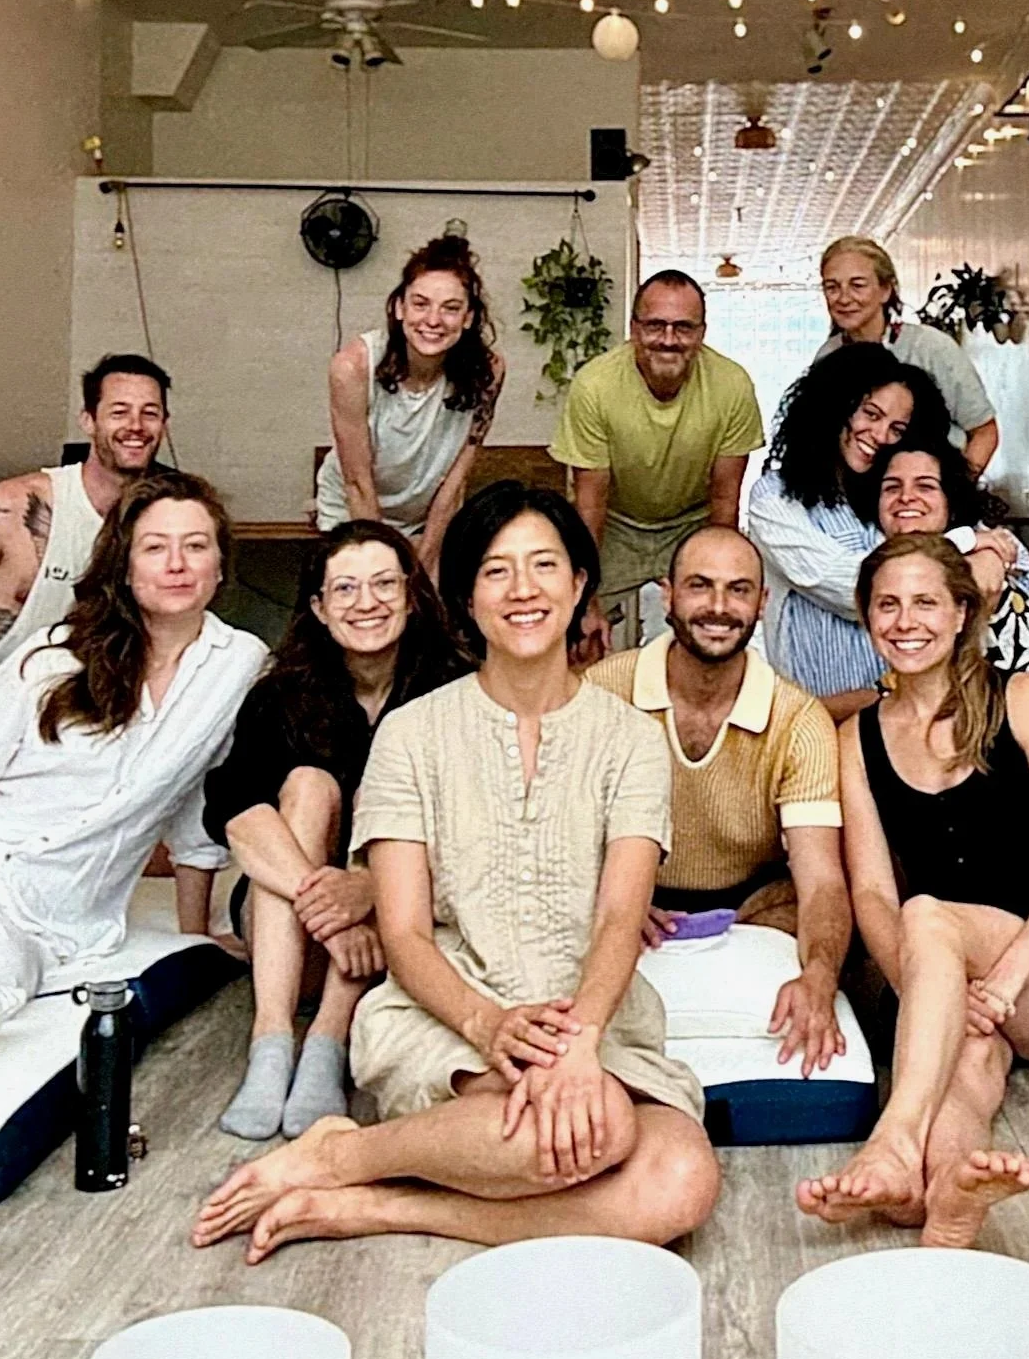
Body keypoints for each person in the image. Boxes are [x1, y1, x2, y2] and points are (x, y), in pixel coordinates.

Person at [192, 481, 719, 1263]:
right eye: (496, 571)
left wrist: (575, 1045)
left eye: (544, 565)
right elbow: (401, 929)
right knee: (594, 1129)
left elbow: (619, 918)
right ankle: (353, 1154)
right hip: (446, 1014)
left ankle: (370, 1195)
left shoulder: (630, 740)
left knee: (680, 1181)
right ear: (466, 598)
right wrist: (486, 1024)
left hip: (595, 1019)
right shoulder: (412, 736)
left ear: (579, 586)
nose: (523, 589)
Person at [798, 534, 1029, 1247]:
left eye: (924, 602)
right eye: (886, 604)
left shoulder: (1022, 697)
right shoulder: (856, 739)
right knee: (964, 1063)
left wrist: (1001, 987)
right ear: (865, 617)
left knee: (930, 917)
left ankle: (891, 1138)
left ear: (958, 614)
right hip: (951, 973)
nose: (904, 620)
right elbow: (872, 895)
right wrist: (932, 996)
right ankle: (942, 1191)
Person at [0, 471, 267, 1056]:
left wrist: (195, 939)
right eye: (155, 547)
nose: (177, 564)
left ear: (219, 563)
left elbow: (195, 805)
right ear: (124, 565)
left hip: (49, 921)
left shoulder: (239, 662)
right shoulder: (51, 660)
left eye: (196, 545)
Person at [203, 520, 470, 1141]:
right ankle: (270, 1040)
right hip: (294, 938)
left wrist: (371, 893)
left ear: (411, 593)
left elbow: (471, 828)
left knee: (396, 832)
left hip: (403, 927)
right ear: (320, 608)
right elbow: (232, 807)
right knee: (308, 787)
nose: (367, 602)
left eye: (383, 584)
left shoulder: (455, 687)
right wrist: (331, 905)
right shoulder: (281, 693)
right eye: (345, 589)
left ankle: (327, 1039)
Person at [586, 524, 852, 1078]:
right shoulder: (601, 693)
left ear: (762, 602)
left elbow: (823, 880)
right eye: (700, 586)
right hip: (624, 896)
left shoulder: (798, 720)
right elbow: (555, 836)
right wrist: (605, 901)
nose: (718, 607)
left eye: (738, 590)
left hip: (754, 908)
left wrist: (820, 978)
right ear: (668, 595)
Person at [869, 438, 1029, 847]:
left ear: (951, 503)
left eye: (925, 486)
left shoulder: (969, 576)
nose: (906, 497)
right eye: (891, 486)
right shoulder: (929, 574)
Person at [549, 269, 763, 656]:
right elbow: (590, 503)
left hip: (691, 522)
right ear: (634, 328)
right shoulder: (595, 385)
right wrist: (585, 599)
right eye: (655, 326)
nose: (668, 339)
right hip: (613, 523)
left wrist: (716, 582)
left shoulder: (732, 385)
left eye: (683, 327)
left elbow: (725, 502)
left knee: (708, 631)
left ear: (701, 332)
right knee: (572, 629)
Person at [749, 343, 960, 701]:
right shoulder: (775, 496)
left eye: (897, 429)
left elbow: (1014, 557)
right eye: (871, 414)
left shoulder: (898, 493)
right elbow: (846, 586)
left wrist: (986, 554)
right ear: (833, 406)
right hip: (817, 712)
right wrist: (961, 564)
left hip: (908, 710)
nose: (880, 436)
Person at [0, 353, 171, 694]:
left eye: (150, 413)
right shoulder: (13, 506)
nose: (136, 426)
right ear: (88, 421)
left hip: (82, 709)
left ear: (164, 425)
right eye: (119, 412)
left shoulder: (165, 521)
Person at [316, 235, 506, 576]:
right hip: (354, 512)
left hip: (425, 518)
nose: (433, 320)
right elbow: (357, 484)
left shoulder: (488, 372)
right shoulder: (353, 367)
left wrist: (426, 562)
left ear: (468, 317)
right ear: (399, 308)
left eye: (450, 308)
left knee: (433, 608)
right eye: (420, 304)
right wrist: (386, 566)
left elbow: (454, 483)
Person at [815, 236, 999, 474]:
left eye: (857, 285)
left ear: (885, 290)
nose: (843, 298)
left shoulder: (931, 347)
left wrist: (952, 496)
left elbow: (984, 432)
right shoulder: (827, 357)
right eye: (832, 287)